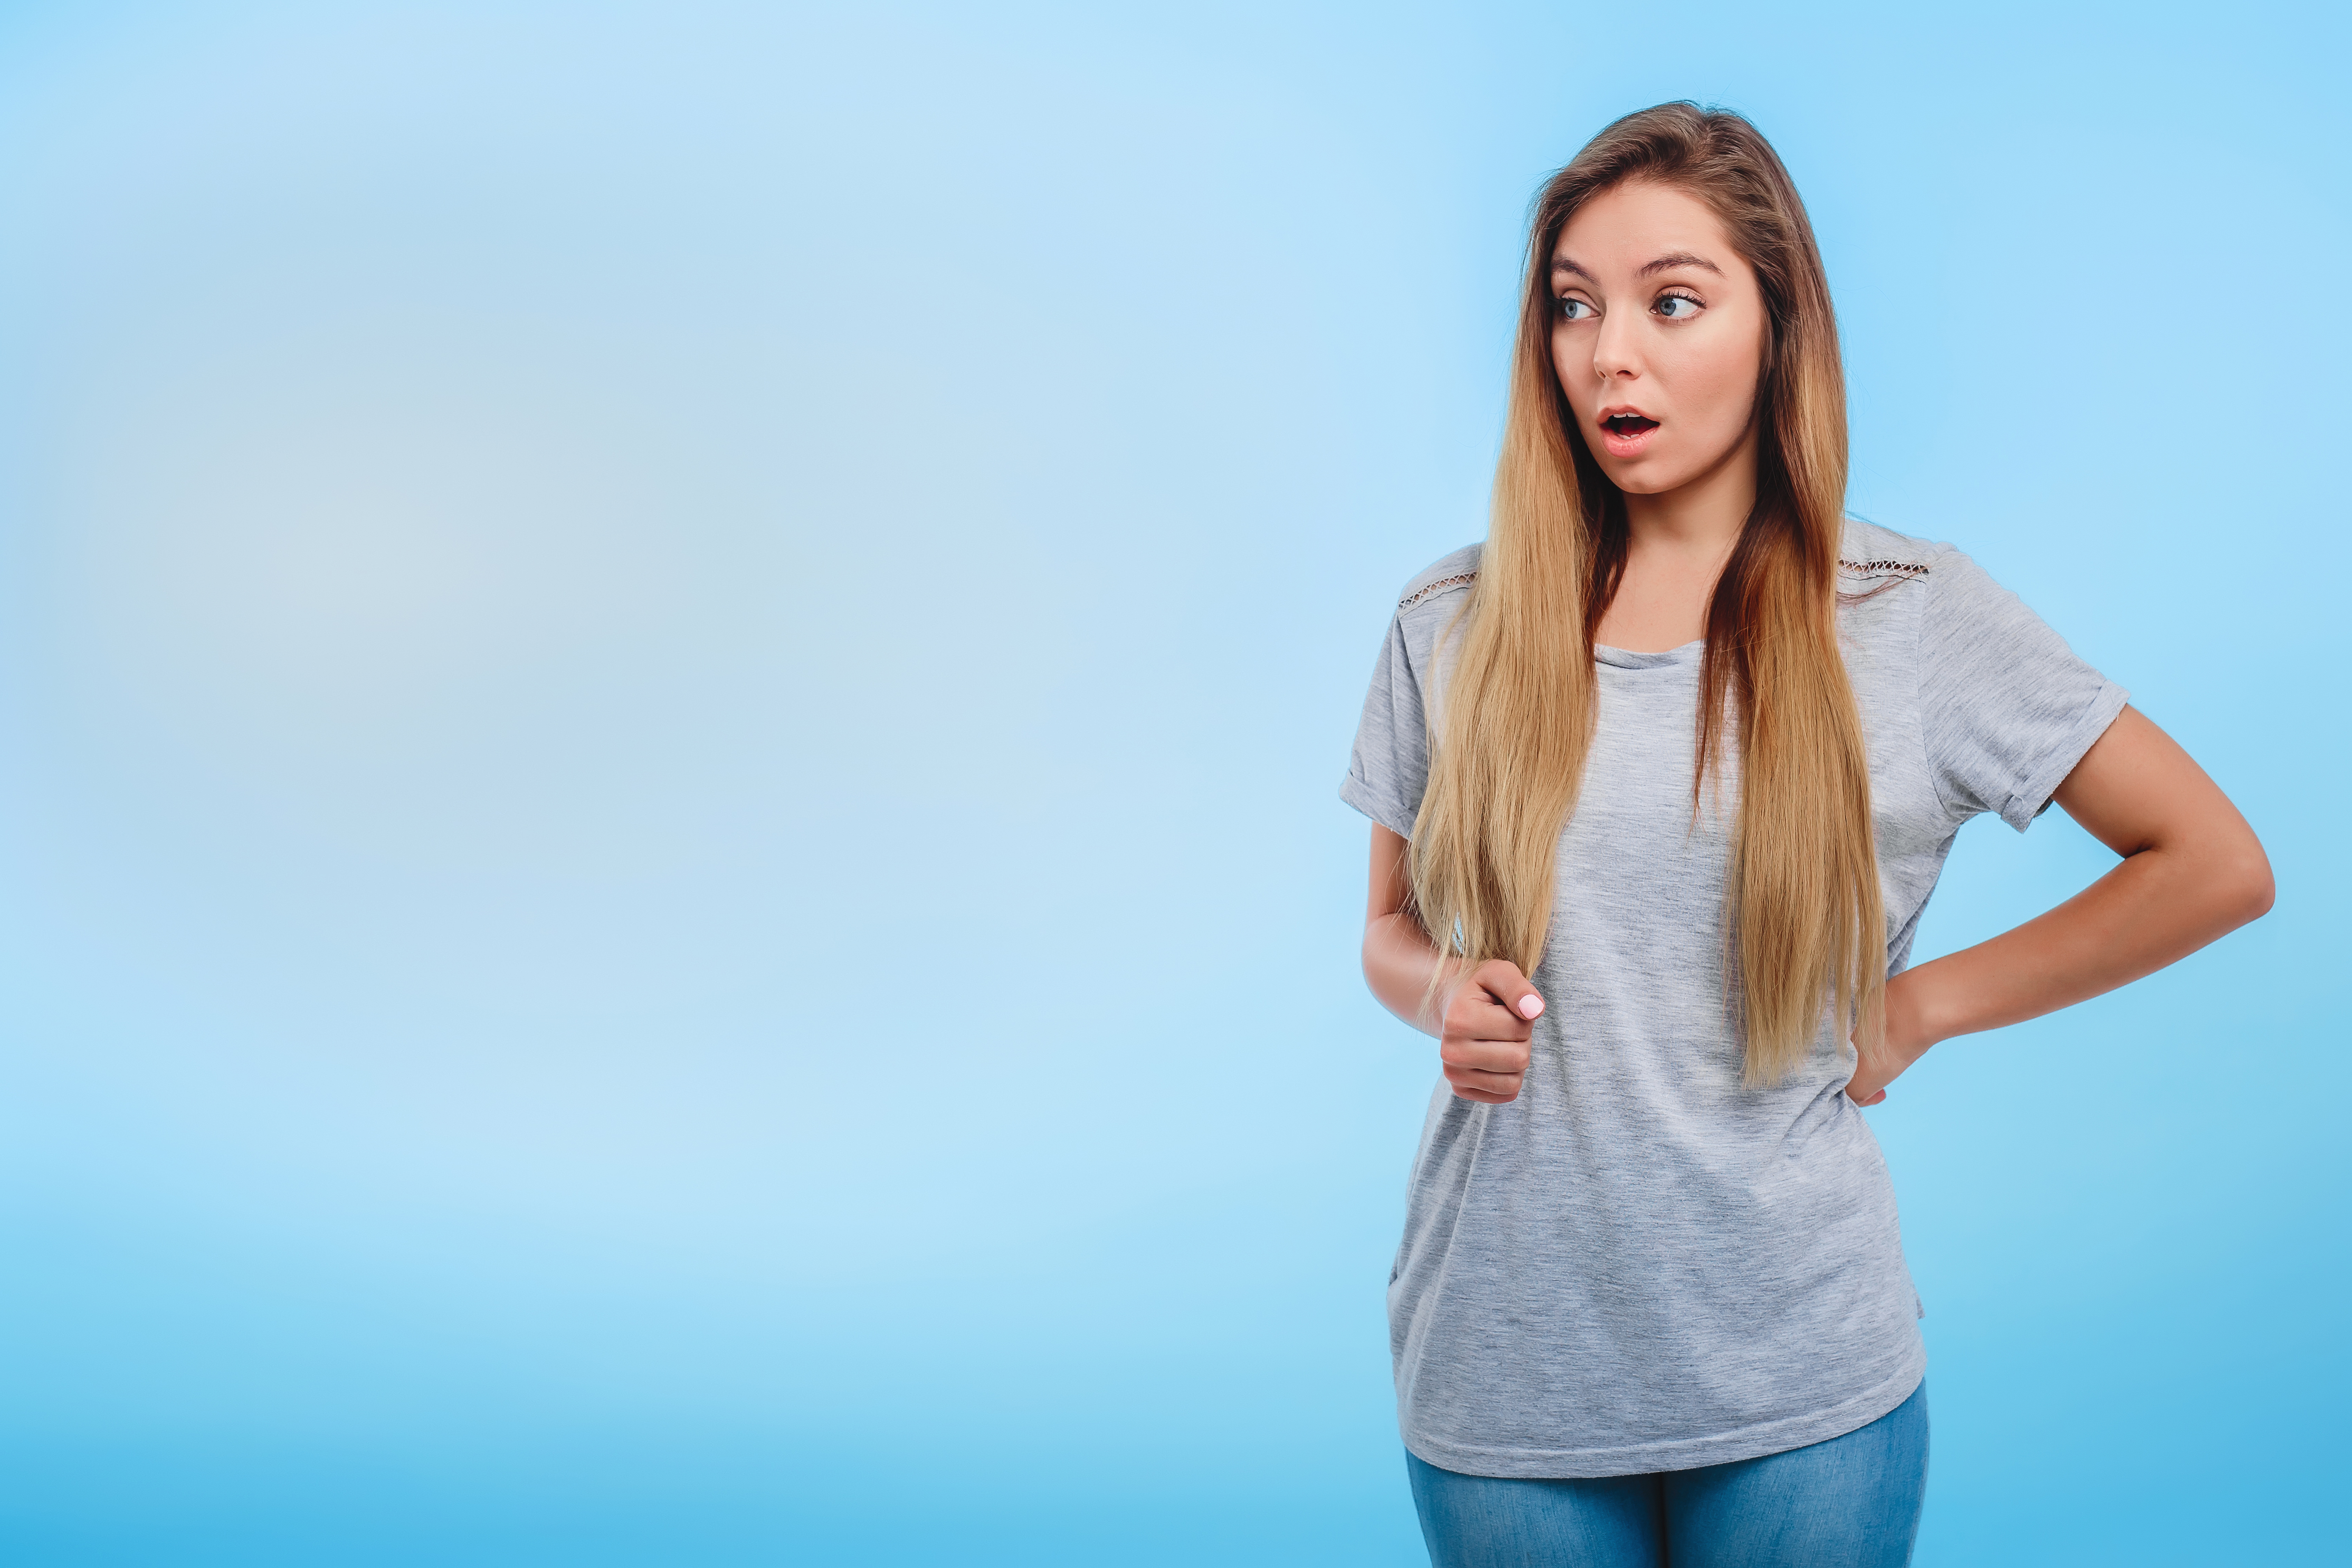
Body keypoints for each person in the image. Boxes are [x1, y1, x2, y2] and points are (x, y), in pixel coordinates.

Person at [1339, 102, 2273, 1568]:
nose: (1609, 354)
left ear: (1778, 326)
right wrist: (1439, 993)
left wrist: (1921, 1008)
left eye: (1673, 302)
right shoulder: (1446, 622)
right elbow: (1389, 934)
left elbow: (2215, 862)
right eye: (1574, 307)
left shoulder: (1908, 616)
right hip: (1501, 1370)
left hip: (1799, 1377)